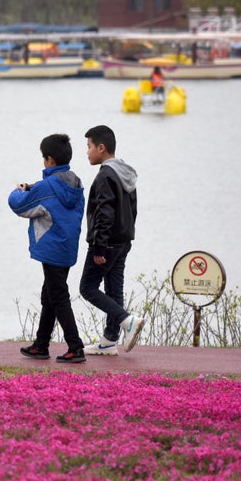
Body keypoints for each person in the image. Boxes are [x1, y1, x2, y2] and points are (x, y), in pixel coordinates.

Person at [9, 134, 86, 363]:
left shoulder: (48, 186)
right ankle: (40, 345)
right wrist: (36, 187)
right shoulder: (76, 183)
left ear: (50, 160)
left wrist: (20, 189)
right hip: (68, 248)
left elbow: (19, 205)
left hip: (51, 249)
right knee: (50, 295)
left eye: (44, 158)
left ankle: (76, 347)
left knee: (58, 296)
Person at [79, 124, 143, 355]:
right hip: (124, 241)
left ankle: (127, 320)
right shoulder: (125, 172)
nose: (87, 152)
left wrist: (98, 246)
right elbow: (132, 209)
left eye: (89, 146)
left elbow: (104, 212)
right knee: (114, 290)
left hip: (106, 243)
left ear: (101, 147)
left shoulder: (106, 174)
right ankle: (109, 340)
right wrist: (126, 235)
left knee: (87, 287)